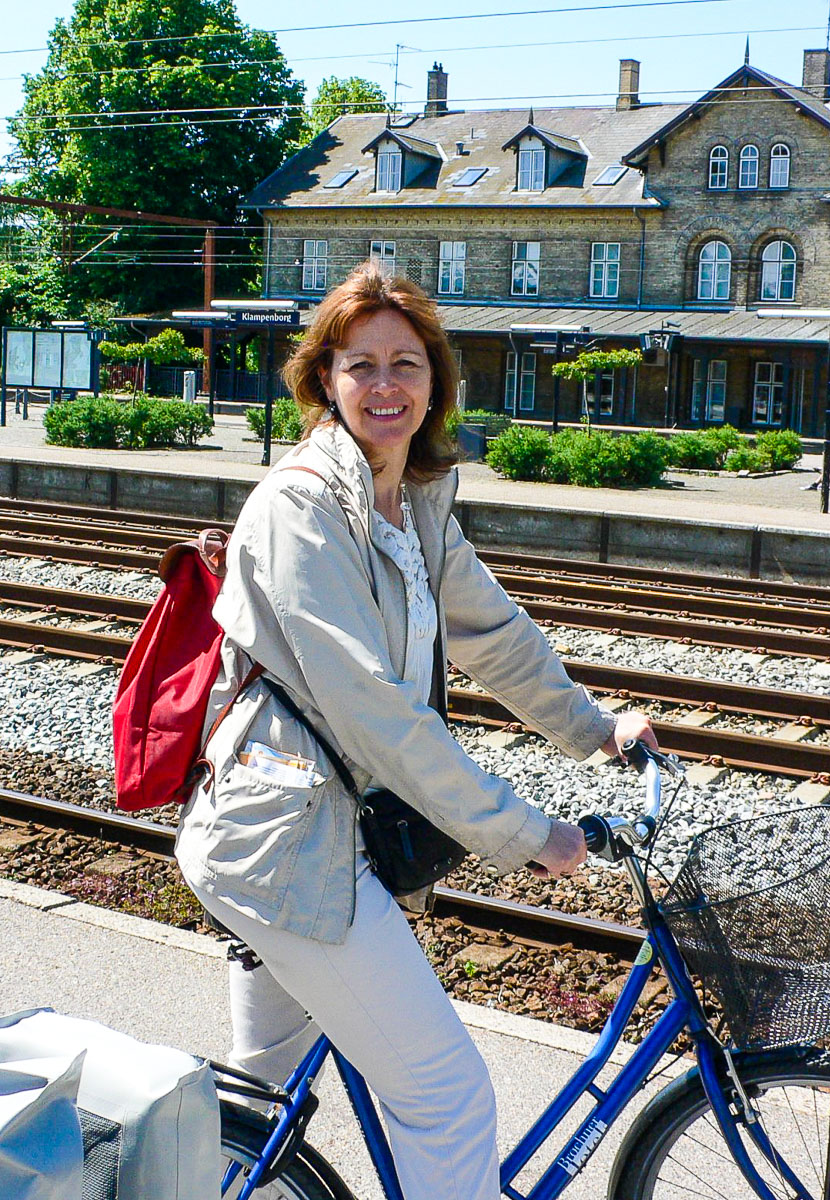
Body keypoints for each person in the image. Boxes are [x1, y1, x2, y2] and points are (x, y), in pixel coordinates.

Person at [174, 263, 658, 1200]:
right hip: (283, 846)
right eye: (362, 365)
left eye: (408, 362)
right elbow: (377, 714)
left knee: (252, 1105)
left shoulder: (414, 497)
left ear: (437, 377)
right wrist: (525, 835)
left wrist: (595, 730)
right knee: (445, 1095)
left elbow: (493, 633)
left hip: (313, 825)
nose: (386, 385)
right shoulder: (301, 507)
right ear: (325, 380)